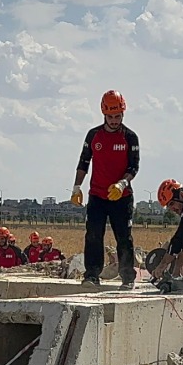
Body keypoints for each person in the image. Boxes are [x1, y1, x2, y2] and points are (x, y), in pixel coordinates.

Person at [72, 90, 140, 289]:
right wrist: (77, 187)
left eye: (117, 116)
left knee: (123, 237)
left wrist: (122, 183)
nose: (114, 120)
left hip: (122, 196)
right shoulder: (93, 135)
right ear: (104, 115)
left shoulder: (130, 137)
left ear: (123, 114)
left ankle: (128, 278)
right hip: (98, 196)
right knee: (93, 234)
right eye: (110, 117)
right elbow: (83, 162)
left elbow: (134, 167)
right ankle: (92, 275)